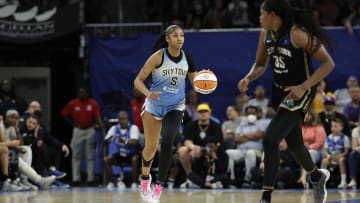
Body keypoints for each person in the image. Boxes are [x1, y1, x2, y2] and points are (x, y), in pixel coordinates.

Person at [237, 0, 335, 202]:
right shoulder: (265, 33)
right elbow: (260, 64)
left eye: (262, 14)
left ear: (273, 15)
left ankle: (266, 196)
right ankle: (316, 176)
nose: (259, 18)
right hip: (280, 90)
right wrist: (249, 77)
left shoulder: (297, 33)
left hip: (300, 91)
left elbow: (328, 63)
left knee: (270, 139)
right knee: (295, 144)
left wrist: (303, 87)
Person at [133, 24, 197, 203]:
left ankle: (159, 186)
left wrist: (205, 85)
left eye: (182, 35)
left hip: (175, 106)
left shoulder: (188, 57)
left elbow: (195, 82)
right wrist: (148, 93)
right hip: (154, 105)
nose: (180, 38)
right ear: (167, 39)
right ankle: (145, 179)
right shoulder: (158, 56)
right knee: (151, 147)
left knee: (168, 140)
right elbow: (137, 80)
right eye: (175, 35)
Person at [61, 87, 104, 186]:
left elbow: (97, 116)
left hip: (89, 130)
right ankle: (76, 179)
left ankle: (90, 180)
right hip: (78, 130)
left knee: (90, 156)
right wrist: (72, 124)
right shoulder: (73, 103)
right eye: (80, 92)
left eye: (83, 92)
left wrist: (100, 125)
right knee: (76, 156)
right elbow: (64, 114)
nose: (81, 94)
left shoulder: (93, 103)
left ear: (87, 94)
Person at [103, 111, 141, 190]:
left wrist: (123, 140)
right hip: (121, 154)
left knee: (134, 159)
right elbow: (106, 140)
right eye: (120, 119)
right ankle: (111, 182)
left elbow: (134, 142)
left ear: (127, 119)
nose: (122, 121)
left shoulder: (133, 128)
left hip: (132, 154)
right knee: (107, 160)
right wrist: (109, 139)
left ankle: (134, 183)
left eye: (124, 119)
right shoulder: (114, 128)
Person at [320, 119, 350, 189]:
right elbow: (325, 150)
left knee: (341, 160)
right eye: (332, 126)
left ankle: (343, 181)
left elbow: (346, 151)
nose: (333, 128)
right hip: (331, 157)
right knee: (324, 161)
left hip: (340, 157)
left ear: (341, 128)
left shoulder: (345, 138)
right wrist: (328, 156)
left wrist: (339, 156)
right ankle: (321, 181)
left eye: (336, 126)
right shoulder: (328, 138)